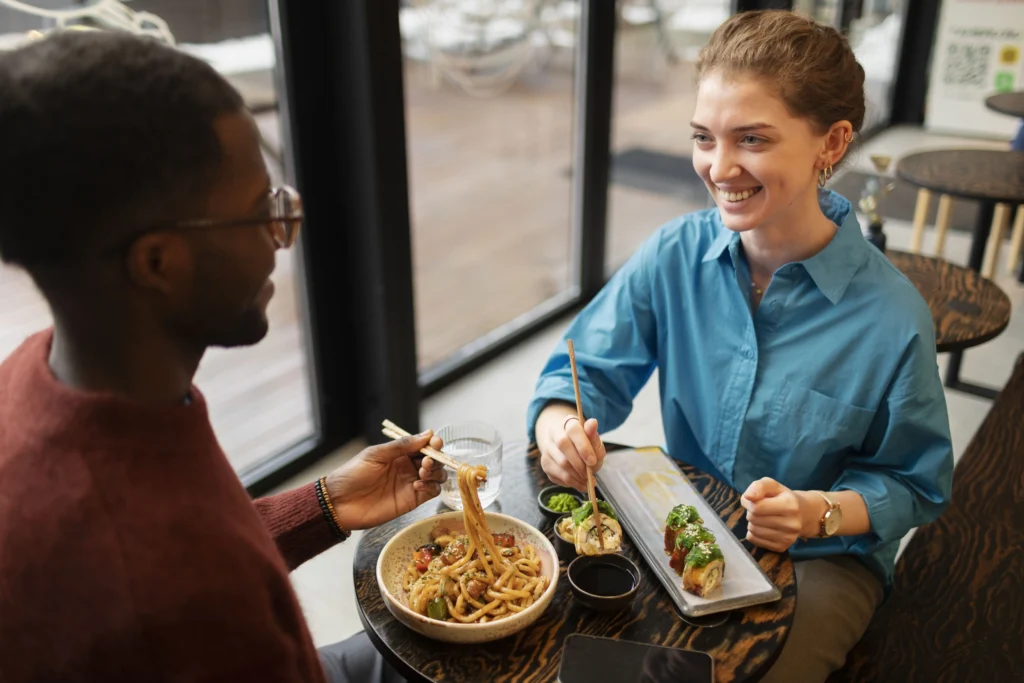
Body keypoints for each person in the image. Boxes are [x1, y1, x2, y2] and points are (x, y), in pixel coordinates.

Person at [527, 10, 953, 683]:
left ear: (832, 143)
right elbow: (582, 373)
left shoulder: (893, 318)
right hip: (681, 518)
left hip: (823, 560)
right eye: (703, 137)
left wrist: (814, 512)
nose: (718, 167)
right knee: (564, 643)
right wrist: (559, 430)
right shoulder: (673, 253)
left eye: (751, 139)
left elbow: (915, 483)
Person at [0, 31, 422, 683]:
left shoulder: (34, 376)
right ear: (158, 262)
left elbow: (187, 538)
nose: (280, 238)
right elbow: (180, 574)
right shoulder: (186, 595)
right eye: (261, 212)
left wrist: (324, 502)